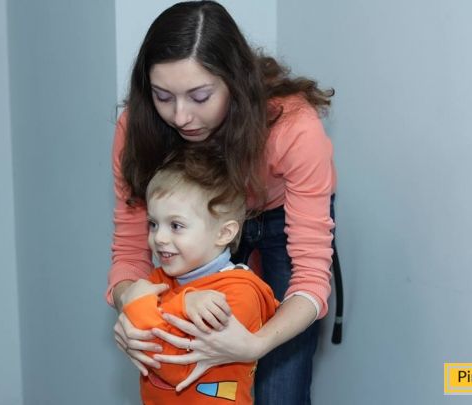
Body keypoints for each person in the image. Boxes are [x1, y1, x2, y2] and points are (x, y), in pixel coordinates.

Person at [108, 1, 336, 403]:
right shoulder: (139, 130)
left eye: (200, 96)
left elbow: (311, 278)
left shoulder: (294, 127)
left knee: (281, 388)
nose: (181, 116)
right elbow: (130, 252)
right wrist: (129, 303)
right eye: (163, 96)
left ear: (234, 81)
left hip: (279, 218)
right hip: (196, 226)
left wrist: (257, 343)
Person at [122, 152, 279, 404]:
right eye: (153, 224)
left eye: (176, 226)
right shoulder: (162, 278)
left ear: (223, 233)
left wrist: (142, 304)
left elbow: (173, 365)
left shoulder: (239, 293)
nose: (159, 237)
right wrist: (178, 303)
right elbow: (140, 339)